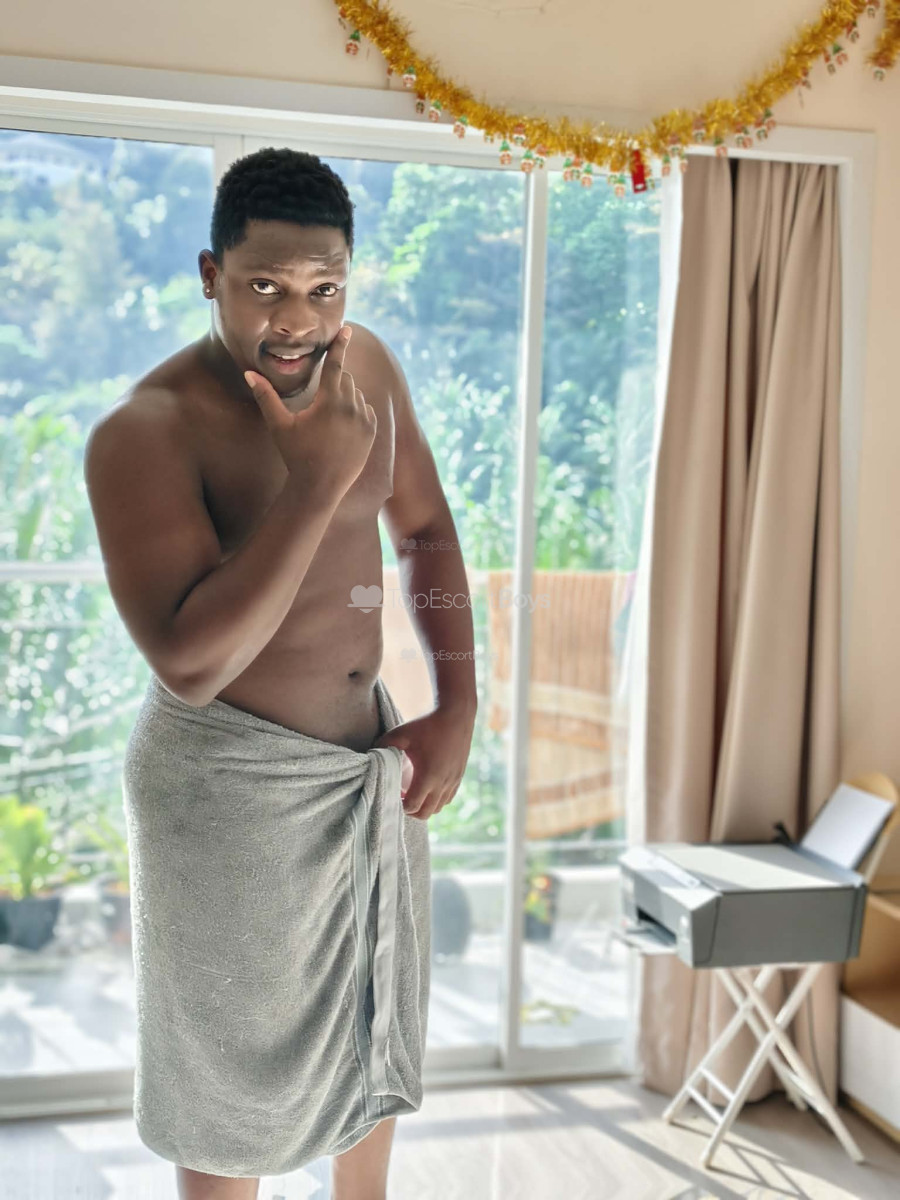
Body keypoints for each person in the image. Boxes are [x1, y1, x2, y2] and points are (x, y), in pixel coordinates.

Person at [83, 146, 477, 1200]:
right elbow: (192, 663)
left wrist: (458, 703)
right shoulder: (145, 431)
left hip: (366, 765)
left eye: (323, 288)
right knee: (231, 1091)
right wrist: (314, 483)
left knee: (373, 1032)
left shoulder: (367, 368)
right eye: (265, 287)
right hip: (225, 785)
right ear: (211, 274)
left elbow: (426, 530)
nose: (297, 319)